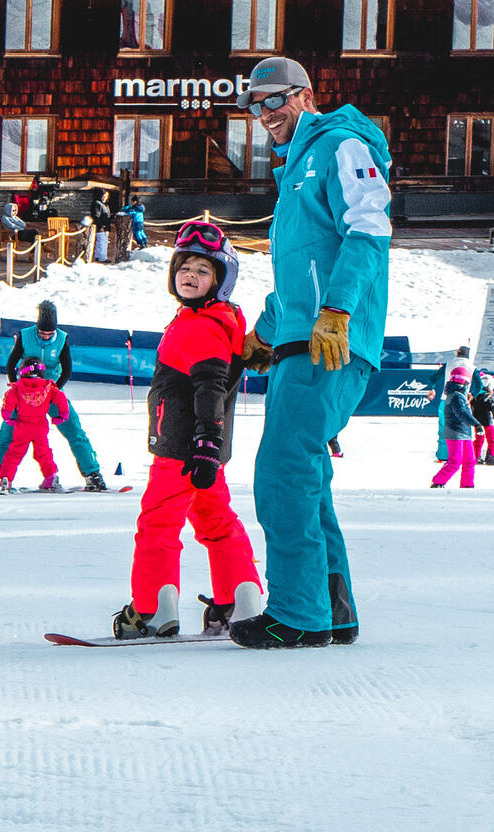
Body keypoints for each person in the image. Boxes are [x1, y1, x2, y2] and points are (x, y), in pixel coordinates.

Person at [231, 56, 391, 649]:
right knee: (306, 476)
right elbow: (300, 274)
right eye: (255, 105)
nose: (265, 114)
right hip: (300, 342)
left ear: (304, 95)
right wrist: (263, 336)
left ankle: (298, 615)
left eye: (274, 100)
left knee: (282, 470)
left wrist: (339, 309)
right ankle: (332, 607)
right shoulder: (294, 171)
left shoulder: (340, 144)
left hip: (333, 341)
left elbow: (370, 227)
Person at [113, 221, 262, 640]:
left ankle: (151, 611)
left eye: (202, 270)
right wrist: (210, 450)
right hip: (201, 454)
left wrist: (203, 443)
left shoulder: (199, 325)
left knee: (157, 525)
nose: (189, 276)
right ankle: (239, 600)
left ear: (221, 281)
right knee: (217, 521)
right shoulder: (213, 319)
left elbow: (210, 386)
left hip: (181, 449)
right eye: (184, 267)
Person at [0, 300, 107, 492]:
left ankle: (92, 474)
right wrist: (16, 387)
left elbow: (67, 369)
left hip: (51, 390)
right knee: (7, 432)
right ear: (37, 328)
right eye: (42, 333)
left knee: (74, 430)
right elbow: (12, 362)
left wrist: (54, 391)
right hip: (26, 392)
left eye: (49, 334)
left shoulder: (62, 338)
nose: (46, 337)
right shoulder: (25, 336)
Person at [0, 357, 69, 492]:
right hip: (40, 425)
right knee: (44, 453)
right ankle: (50, 477)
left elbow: (8, 402)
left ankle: (6, 478)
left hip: (22, 425)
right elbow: (61, 398)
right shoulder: (49, 387)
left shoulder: (17, 388)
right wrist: (62, 415)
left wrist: (7, 417)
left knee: (15, 453)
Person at [431, 367, 480, 489]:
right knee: (455, 462)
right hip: (455, 432)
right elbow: (462, 413)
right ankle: (438, 482)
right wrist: (476, 424)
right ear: (464, 381)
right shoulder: (456, 396)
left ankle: (467, 485)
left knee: (470, 461)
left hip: (464, 432)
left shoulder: (458, 394)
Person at [436, 346, 480, 461]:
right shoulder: (472, 367)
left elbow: (434, 377)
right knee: (465, 429)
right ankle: (466, 456)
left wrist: (432, 388)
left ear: (457, 353)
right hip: (462, 399)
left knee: (444, 428)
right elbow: (479, 385)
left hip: (445, 399)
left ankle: (443, 455)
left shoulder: (449, 363)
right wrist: (472, 394)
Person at [471, 374, 494, 464]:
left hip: (477, 422)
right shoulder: (489, 398)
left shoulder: (475, 397)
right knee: (491, 438)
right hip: (487, 422)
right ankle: (491, 456)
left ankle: (476, 456)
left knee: (479, 439)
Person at [91, 189, 111, 262]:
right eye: (104, 195)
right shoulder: (97, 204)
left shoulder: (104, 204)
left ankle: (98, 256)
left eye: (106, 196)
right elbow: (96, 216)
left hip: (104, 226)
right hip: (101, 226)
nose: (106, 197)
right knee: (102, 242)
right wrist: (101, 226)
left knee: (100, 242)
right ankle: (102, 258)